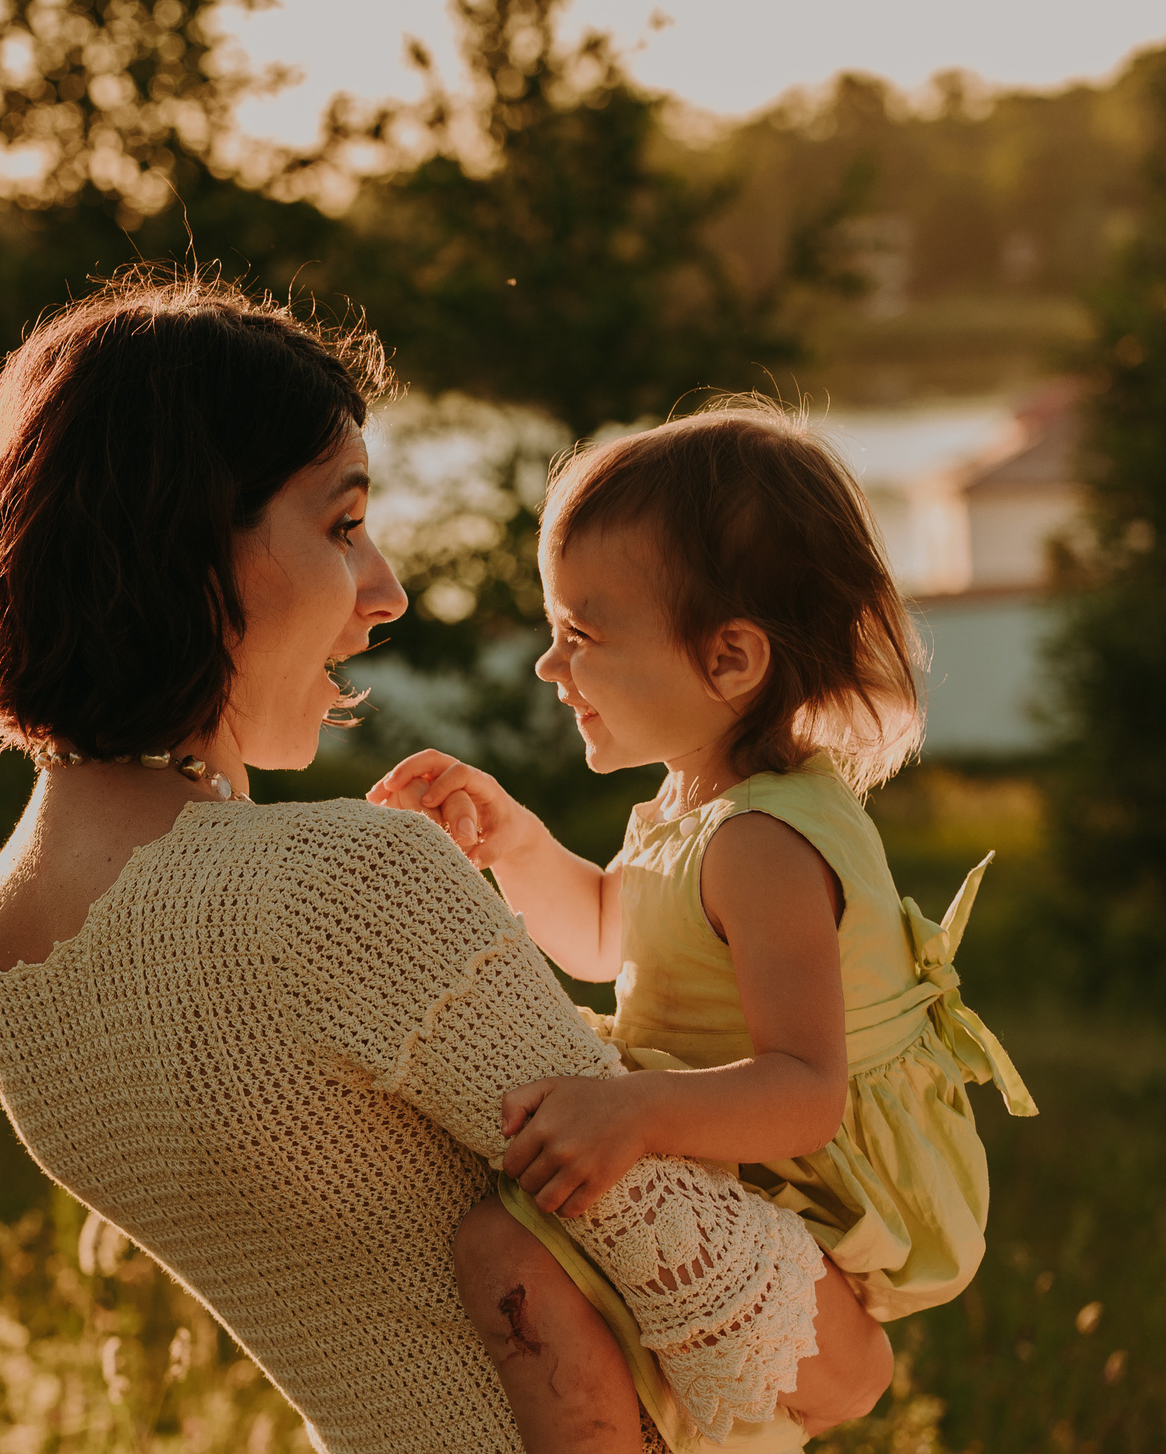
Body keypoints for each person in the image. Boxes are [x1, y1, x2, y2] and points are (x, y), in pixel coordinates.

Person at [0, 276, 892, 1454]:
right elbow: (829, 1366)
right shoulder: (338, 886)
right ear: (187, 549)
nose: (386, 591)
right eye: (341, 526)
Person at [370, 402, 1034, 1445]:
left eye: (580, 636)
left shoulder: (764, 840)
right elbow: (608, 933)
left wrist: (633, 1112)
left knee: (510, 1250)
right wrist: (517, 842)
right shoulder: (691, 801)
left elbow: (804, 1091)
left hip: (813, 1182)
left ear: (730, 657)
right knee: (518, 1249)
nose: (549, 667)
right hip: (725, 1144)